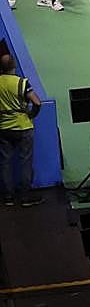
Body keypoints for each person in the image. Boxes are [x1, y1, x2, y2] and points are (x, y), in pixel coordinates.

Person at [0, 53, 45, 207]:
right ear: (14, 66)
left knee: (5, 162)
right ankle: (25, 196)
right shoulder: (22, 83)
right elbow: (37, 102)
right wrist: (31, 115)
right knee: (25, 161)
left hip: (3, 128)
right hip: (23, 127)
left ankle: (8, 197)